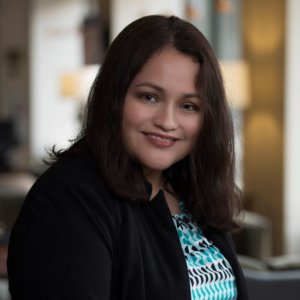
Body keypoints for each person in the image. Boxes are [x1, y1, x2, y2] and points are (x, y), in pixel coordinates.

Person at [7, 15, 248, 300]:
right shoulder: (68, 199)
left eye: (188, 105)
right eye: (149, 97)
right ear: (115, 95)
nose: (167, 121)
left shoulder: (188, 189)